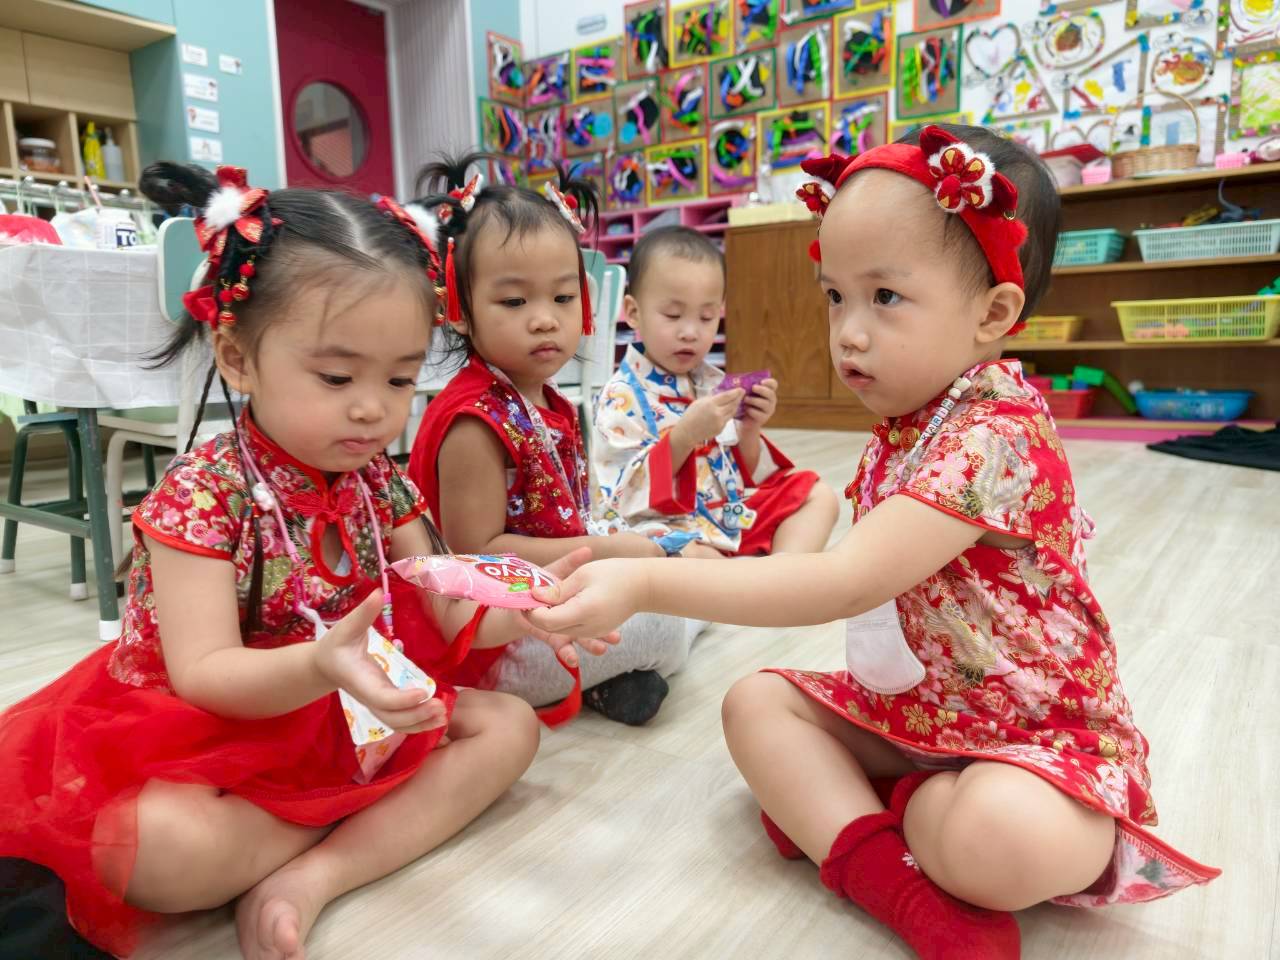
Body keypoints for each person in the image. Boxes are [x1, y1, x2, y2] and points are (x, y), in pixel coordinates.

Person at [528, 126, 1220, 959]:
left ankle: (871, 816)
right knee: (755, 705)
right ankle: (890, 875)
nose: (848, 332)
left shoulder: (995, 431)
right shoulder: (912, 417)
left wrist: (645, 585)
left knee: (998, 838)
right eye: (835, 297)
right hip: (922, 714)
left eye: (884, 297)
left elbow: (847, 581)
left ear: (993, 314)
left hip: (1033, 738)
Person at [0, 163, 609, 960]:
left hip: (348, 709)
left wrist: (530, 607)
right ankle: (362, 816)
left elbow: (448, 606)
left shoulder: (379, 480)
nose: (373, 407)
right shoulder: (202, 495)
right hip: (218, 727)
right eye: (336, 375)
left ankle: (316, 874)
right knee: (156, 849)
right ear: (237, 357)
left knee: (509, 728)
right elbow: (207, 674)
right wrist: (320, 666)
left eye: (400, 378)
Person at [408, 158, 699, 726]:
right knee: (669, 608)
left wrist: (620, 545)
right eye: (515, 302)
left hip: (550, 600)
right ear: (459, 309)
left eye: (563, 298)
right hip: (496, 644)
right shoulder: (474, 421)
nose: (545, 320)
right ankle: (636, 655)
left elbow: (568, 517)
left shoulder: (548, 400)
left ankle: (615, 678)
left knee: (667, 562)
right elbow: (478, 558)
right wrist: (613, 555)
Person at [592, 225, 838, 556]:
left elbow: (744, 475)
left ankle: (779, 572)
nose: (690, 332)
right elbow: (619, 497)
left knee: (818, 496)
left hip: (725, 518)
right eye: (673, 315)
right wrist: (683, 437)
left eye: (707, 318)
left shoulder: (711, 383)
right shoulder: (620, 396)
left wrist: (749, 427)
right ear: (634, 313)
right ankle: (751, 578)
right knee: (683, 554)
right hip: (671, 527)